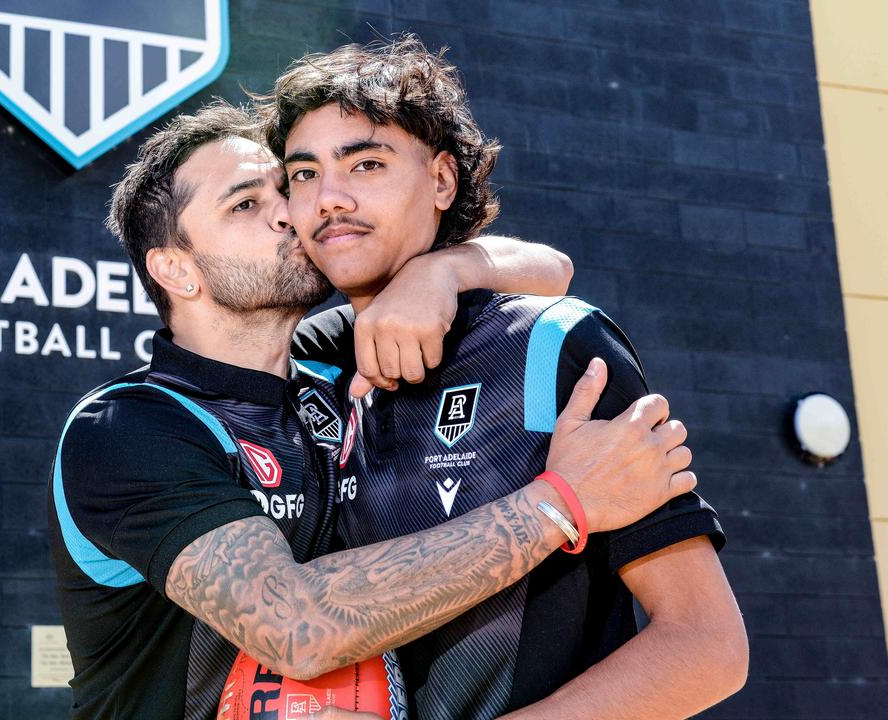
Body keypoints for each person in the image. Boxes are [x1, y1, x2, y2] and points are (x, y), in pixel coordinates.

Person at [48, 101, 697, 719]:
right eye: (246, 205)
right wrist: (562, 502)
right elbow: (296, 628)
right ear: (176, 270)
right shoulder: (128, 428)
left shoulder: (333, 360)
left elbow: (551, 269)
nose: (290, 215)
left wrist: (439, 273)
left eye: (284, 190)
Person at [270, 36, 749, 720]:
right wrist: (445, 269)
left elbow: (707, 646)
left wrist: (445, 268)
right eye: (304, 174)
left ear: (441, 180)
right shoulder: (305, 369)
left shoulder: (551, 343)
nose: (330, 199)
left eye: (366, 164)